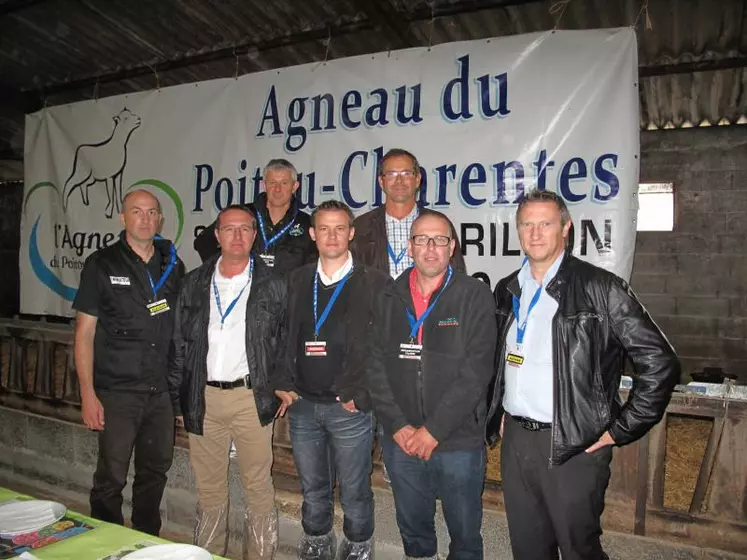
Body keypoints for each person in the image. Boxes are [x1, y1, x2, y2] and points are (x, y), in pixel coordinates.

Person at [486, 189, 681, 560]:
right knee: (527, 547)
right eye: (527, 224)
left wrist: (617, 430)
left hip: (575, 443)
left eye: (546, 223)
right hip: (517, 441)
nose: (535, 233)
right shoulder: (507, 288)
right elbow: (501, 358)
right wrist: (501, 410)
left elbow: (660, 362)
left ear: (566, 228)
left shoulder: (600, 288)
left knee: (579, 548)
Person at [367, 209, 496, 560]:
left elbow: (477, 372)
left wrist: (433, 431)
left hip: (457, 440)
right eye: (421, 239)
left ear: (452, 247)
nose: (430, 247)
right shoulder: (388, 297)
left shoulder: (475, 296)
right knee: (414, 529)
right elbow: (375, 365)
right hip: (401, 439)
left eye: (439, 239)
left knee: (465, 534)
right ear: (409, 247)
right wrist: (397, 425)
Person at [274, 200, 389, 560]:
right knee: (313, 486)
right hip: (304, 405)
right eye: (324, 228)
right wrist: (282, 379)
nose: (332, 235)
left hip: (349, 407)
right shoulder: (297, 280)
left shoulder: (375, 283)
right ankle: (317, 540)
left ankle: (357, 544)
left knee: (355, 488)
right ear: (312, 234)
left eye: (340, 228)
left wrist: (364, 394)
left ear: (352, 233)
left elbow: (385, 347)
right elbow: (280, 334)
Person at [169, 204, 286, 559]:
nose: (237, 236)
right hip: (203, 398)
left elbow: (285, 340)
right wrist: (179, 401)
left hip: (250, 397)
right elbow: (179, 344)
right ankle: (207, 553)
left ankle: (260, 554)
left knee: (257, 483)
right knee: (209, 486)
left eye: (244, 229)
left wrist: (282, 385)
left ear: (254, 235)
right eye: (228, 229)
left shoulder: (274, 284)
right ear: (216, 235)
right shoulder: (194, 282)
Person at [72, 189, 184, 536]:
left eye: (152, 212)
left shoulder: (172, 266)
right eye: (137, 212)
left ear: (160, 219)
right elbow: (84, 335)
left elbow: (180, 331)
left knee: (154, 473)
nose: (145, 218)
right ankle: (105, 543)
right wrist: (88, 394)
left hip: (159, 394)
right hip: (117, 392)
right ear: (123, 218)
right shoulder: (102, 264)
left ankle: (145, 540)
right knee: (111, 477)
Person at [350, 148, 465, 277]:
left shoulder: (439, 224)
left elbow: (457, 277)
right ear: (381, 182)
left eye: (406, 173)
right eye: (391, 174)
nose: (399, 180)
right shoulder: (361, 226)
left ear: (418, 179)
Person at [194, 158, 317, 273]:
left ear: (294, 186)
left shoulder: (307, 223)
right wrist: (223, 271)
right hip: (243, 294)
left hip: (287, 295)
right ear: (264, 185)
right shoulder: (242, 215)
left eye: (284, 183)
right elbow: (203, 242)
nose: (277, 189)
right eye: (272, 183)